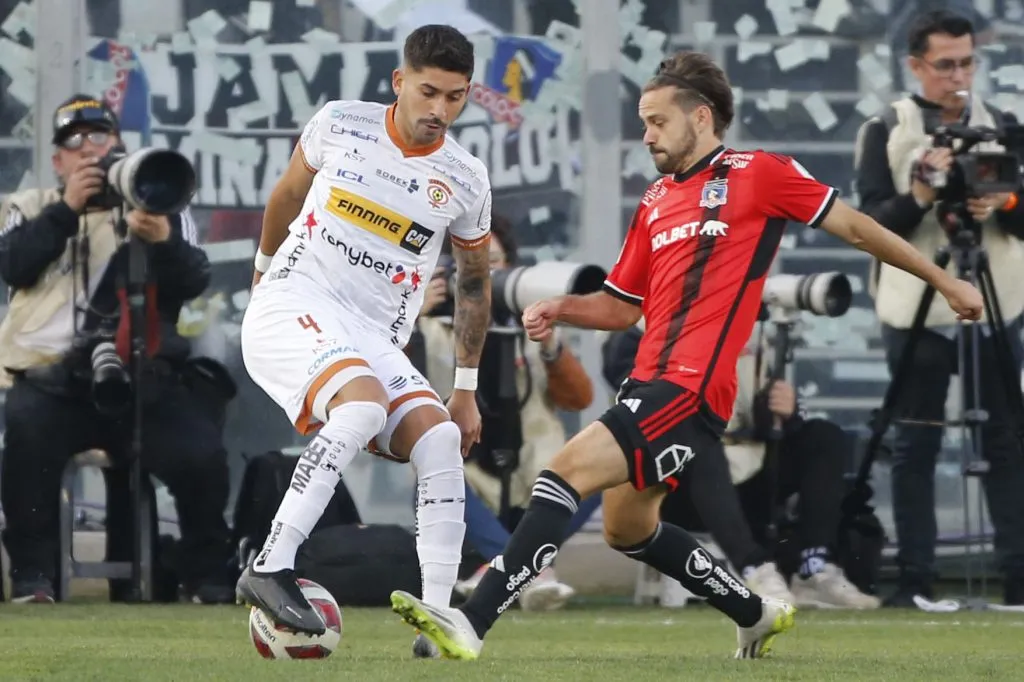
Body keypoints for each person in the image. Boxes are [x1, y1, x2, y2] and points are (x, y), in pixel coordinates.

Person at [388, 49, 984, 661]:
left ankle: (471, 622)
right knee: (627, 529)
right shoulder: (655, 200)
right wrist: (561, 307)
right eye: (644, 123)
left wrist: (945, 281)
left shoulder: (760, 172)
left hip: (692, 388)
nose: (647, 135)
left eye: (657, 122)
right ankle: (754, 613)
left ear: (700, 117)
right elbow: (621, 307)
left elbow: (858, 229)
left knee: (561, 474)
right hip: (648, 383)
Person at [234, 25, 494, 649]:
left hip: (371, 334)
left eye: (455, 97)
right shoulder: (341, 123)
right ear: (400, 81)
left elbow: (474, 284)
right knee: (364, 404)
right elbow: (286, 196)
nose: (440, 110)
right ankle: (270, 563)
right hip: (295, 300)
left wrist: (464, 388)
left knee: (439, 438)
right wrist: (263, 274)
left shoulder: (465, 178)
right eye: (428, 92)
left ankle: (437, 618)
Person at [0, 95, 234, 603]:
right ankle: (34, 577)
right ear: (57, 160)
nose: (88, 150)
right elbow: (12, 265)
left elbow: (193, 280)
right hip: (51, 383)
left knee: (200, 452)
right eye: (74, 143)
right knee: (26, 441)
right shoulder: (29, 206)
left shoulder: (159, 205)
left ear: (118, 147)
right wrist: (66, 210)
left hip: (143, 379)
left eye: (99, 137)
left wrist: (163, 241)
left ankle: (208, 576)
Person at [856, 10, 1024, 607]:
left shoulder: (1004, 124)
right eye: (945, 65)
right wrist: (923, 193)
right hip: (916, 305)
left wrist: (1001, 203)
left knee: (1005, 439)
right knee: (916, 442)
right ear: (916, 65)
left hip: (996, 297)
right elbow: (871, 225)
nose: (958, 77)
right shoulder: (886, 128)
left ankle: (1017, 579)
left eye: (968, 63)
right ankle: (916, 581)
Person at [605, 323, 881, 609]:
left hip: (749, 472)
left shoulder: (751, 326)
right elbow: (636, 398)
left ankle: (815, 567)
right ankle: (755, 570)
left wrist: (786, 410)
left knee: (823, 435)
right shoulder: (641, 330)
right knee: (701, 440)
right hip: (676, 485)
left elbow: (763, 418)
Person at [416, 216, 599, 612]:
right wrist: (414, 316)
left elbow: (579, 399)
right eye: (473, 265)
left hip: (536, 475)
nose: (485, 277)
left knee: (606, 469)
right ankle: (528, 568)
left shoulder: (530, 324)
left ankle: (503, 567)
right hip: (472, 476)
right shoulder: (430, 326)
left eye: (494, 264)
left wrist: (551, 347)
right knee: (430, 475)